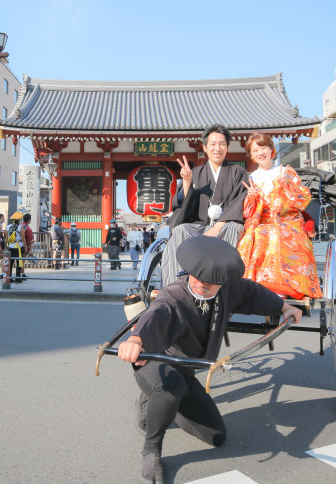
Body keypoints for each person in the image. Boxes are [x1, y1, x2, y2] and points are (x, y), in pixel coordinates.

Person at [116, 235, 303, 483]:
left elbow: (252, 292)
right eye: (197, 277)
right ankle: (151, 450)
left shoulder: (229, 290)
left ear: (223, 282)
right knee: (171, 388)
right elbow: (155, 315)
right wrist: (136, 340)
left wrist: (283, 307)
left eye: (211, 282)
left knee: (215, 436)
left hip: (185, 370)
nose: (201, 284)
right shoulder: (173, 295)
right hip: (155, 362)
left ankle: (162, 405)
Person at [237, 133, 321, 300]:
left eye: (263, 148)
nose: (260, 153)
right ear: (251, 156)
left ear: (272, 151)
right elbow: (247, 212)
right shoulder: (250, 178)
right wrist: (251, 198)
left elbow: (301, 201)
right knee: (253, 236)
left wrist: (286, 186)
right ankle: (254, 285)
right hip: (260, 221)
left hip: (288, 220)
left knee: (275, 234)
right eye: (255, 150)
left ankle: (283, 287)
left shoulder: (286, 172)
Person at [162, 125, 248, 286]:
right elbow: (185, 205)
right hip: (200, 226)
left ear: (227, 147)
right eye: (213, 144)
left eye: (222, 144)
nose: (217, 148)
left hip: (225, 225)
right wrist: (187, 182)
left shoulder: (239, 172)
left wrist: (218, 227)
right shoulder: (196, 172)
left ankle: (225, 284)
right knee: (179, 231)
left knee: (234, 228)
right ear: (205, 147)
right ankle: (175, 285)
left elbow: (239, 201)